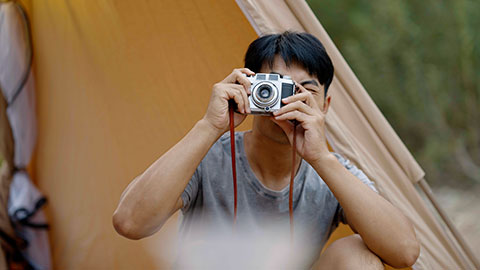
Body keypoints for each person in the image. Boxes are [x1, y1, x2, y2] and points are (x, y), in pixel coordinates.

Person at [113, 32, 420, 269]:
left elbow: (405, 252)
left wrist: (321, 157)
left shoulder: (332, 172)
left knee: (358, 255)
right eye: (275, 87)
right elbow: (130, 223)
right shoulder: (208, 154)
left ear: (325, 106)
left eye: (303, 91)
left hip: (321, 160)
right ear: (249, 88)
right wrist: (210, 125)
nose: (287, 102)